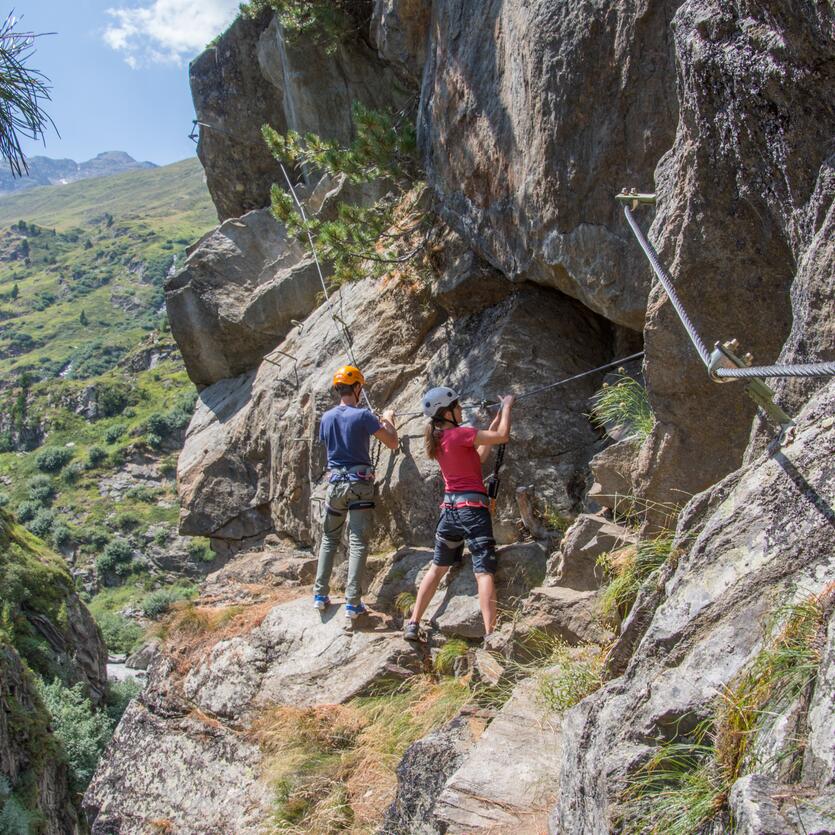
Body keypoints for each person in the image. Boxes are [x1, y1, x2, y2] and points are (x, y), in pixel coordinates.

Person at [403, 386, 514, 645]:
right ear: (449, 411)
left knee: (437, 567)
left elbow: (478, 456)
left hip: (450, 513)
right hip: (473, 512)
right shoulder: (462, 434)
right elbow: (503, 436)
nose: (462, 409)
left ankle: (413, 622)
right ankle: (491, 634)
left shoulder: (440, 439)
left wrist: (494, 419)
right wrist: (507, 405)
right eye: (457, 406)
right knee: (483, 572)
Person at [313, 364, 398, 619]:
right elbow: (392, 442)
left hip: (335, 484)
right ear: (358, 387)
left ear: (339, 389)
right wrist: (388, 419)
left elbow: (328, 445)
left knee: (329, 538)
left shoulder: (326, 418)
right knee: (358, 541)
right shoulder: (363, 416)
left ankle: (319, 595)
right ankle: (352, 602)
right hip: (359, 483)